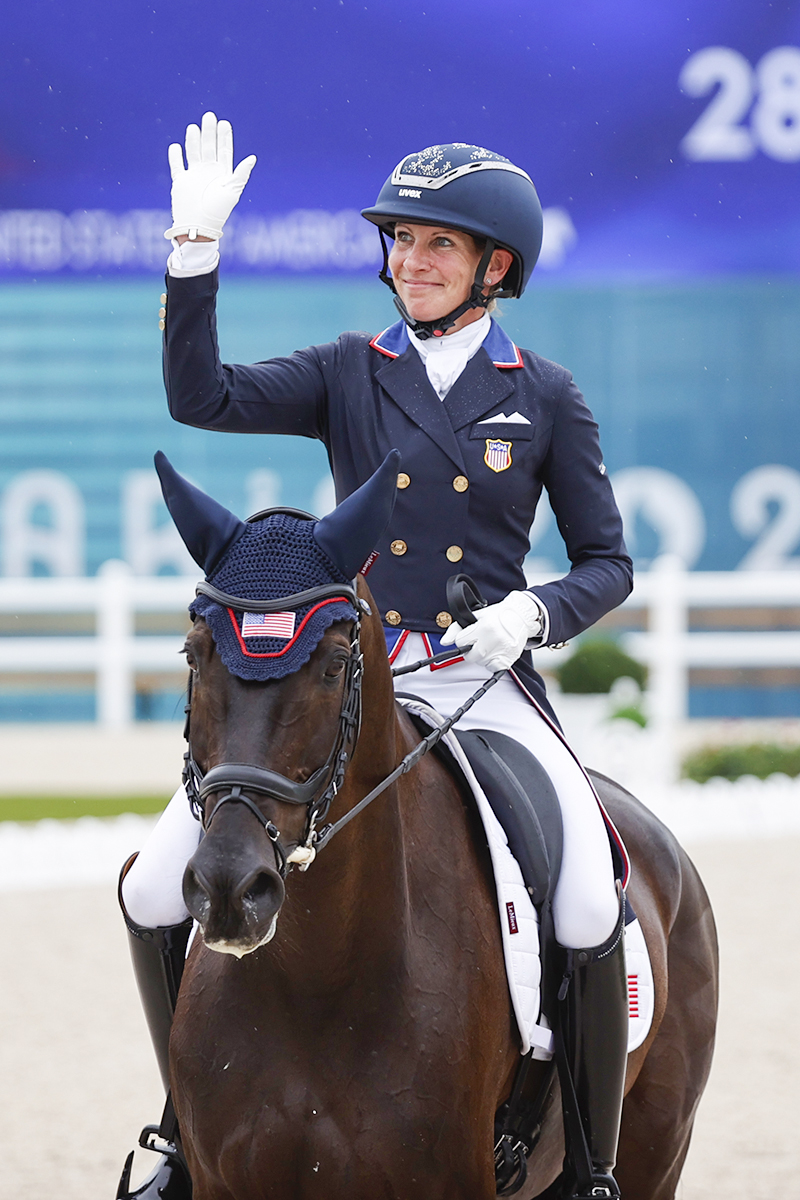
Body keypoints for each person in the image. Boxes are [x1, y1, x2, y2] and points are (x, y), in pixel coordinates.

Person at [119, 114, 633, 1200]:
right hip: (348, 685)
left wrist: (532, 616)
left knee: (588, 901)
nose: (409, 260)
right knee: (155, 887)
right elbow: (197, 398)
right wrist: (192, 258)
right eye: (400, 240)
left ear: (494, 267)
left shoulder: (542, 396)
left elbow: (605, 562)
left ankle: (587, 1164)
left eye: (436, 244)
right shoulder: (347, 370)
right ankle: (180, 1130)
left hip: (480, 688)